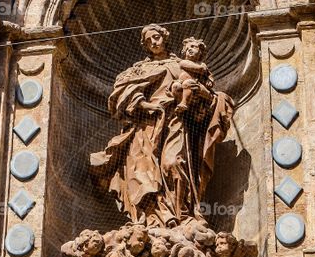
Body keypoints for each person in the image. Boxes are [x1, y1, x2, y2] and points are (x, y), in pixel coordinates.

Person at [89, 23, 233, 226]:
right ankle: (149, 220)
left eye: (156, 37)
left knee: (173, 163)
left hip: (175, 122)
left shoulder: (180, 65)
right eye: (148, 41)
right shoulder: (139, 69)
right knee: (142, 173)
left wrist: (198, 95)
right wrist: (145, 104)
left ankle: (183, 214)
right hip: (145, 127)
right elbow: (120, 95)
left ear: (165, 37)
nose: (153, 42)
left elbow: (203, 97)